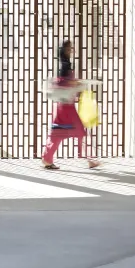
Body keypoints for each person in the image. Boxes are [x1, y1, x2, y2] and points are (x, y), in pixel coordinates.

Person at [42, 41, 101, 171]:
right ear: (64, 50)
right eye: (69, 48)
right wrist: (77, 84)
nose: (71, 50)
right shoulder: (65, 64)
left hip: (62, 106)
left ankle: (47, 158)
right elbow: (64, 83)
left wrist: (76, 83)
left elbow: (63, 82)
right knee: (80, 131)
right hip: (67, 107)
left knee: (57, 133)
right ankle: (89, 159)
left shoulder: (64, 63)